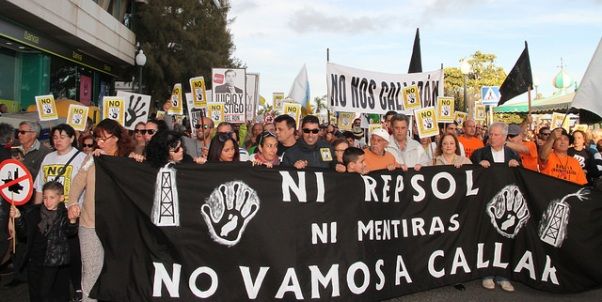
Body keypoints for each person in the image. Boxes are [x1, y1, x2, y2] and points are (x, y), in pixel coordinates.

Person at [67, 119, 133, 302]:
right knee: (91, 271)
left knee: (118, 270)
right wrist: (72, 203)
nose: (100, 142)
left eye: (104, 138)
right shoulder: (92, 159)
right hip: (90, 224)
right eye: (98, 138)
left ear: (117, 138)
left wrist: (138, 161)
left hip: (119, 226)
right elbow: (77, 183)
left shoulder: (128, 160)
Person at [11, 181, 78, 302]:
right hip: (35, 260)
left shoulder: (64, 214)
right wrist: (18, 218)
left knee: (47, 293)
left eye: (52, 197)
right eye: (45, 197)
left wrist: (72, 220)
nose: (48, 201)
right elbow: (24, 233)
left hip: (53, 261)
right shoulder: (34, 212)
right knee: (35, 293)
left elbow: (70, 232)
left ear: (61, 198)